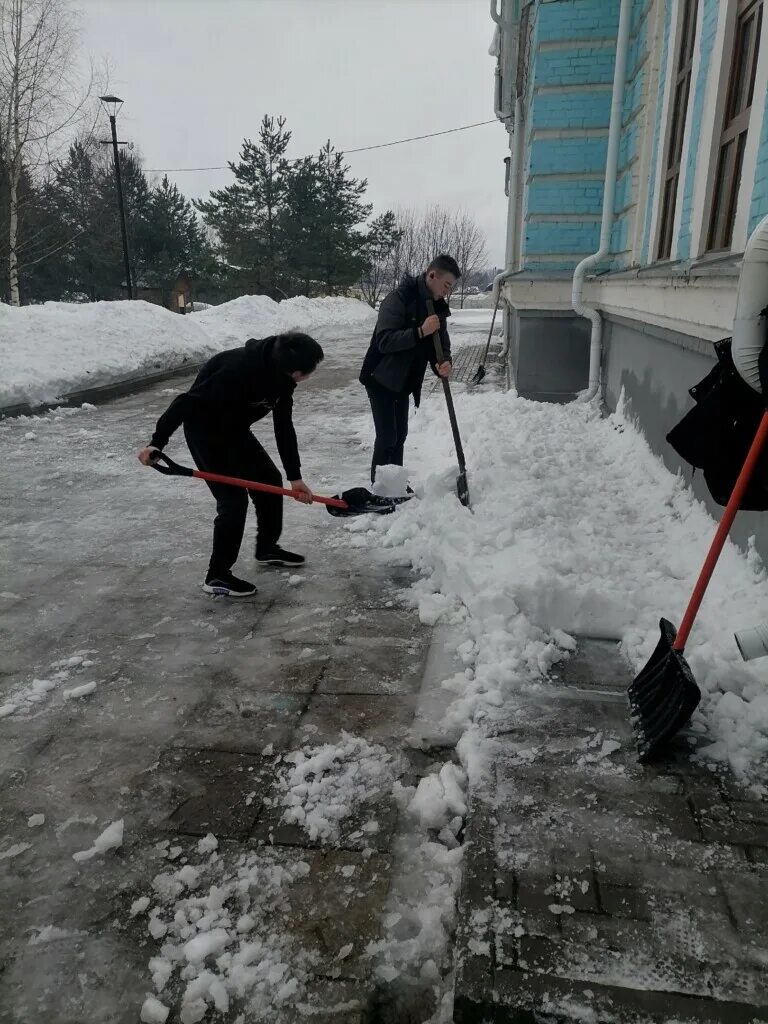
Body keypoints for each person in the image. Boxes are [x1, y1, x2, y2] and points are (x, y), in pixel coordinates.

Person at [138, 331, 324, 597]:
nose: (308, 376)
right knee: (233, 501)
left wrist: (294, 476)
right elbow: (184, 403)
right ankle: (217, 575)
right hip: (205, 432)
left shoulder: (282, 379)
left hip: (234, 429)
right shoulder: (237, 370)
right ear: (294, 371)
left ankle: (267, 548)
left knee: (269, 480)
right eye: (308, 371)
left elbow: (284, 427)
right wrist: (157, 443)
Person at [359, 254, 459, 484]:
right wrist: (420, 332)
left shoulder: (437, 307)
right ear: (432, 275)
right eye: (446, 285)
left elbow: (441, 343)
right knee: (387, 437)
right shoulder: (398, 298)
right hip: (380, 377)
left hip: (404, 381)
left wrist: (443, 363)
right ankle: (381, 490)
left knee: (400, 436)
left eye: (451, 287)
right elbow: (384, 340)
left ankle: (395, 485)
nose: (447, 291)